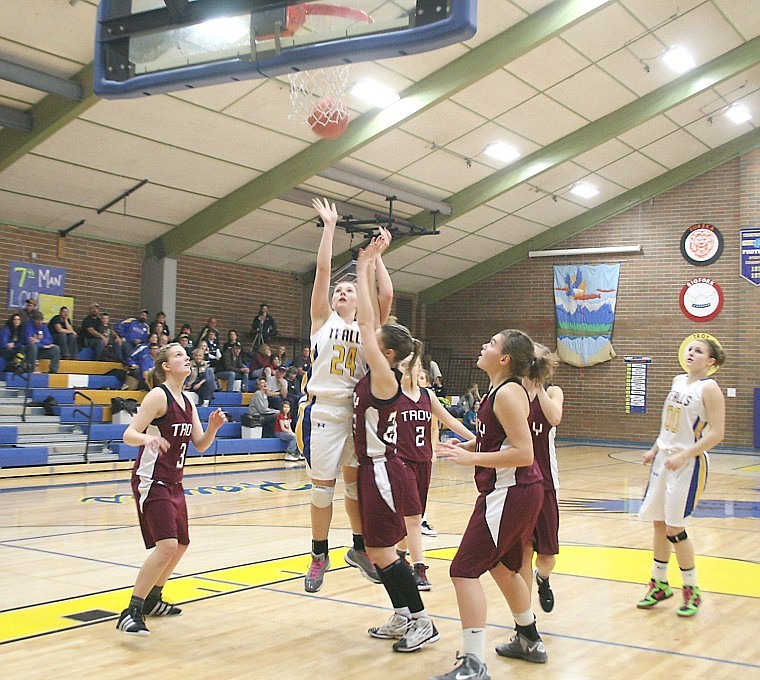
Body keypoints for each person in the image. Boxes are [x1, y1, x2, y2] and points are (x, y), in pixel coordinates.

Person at [432, 329, 553, 679]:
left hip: (509, 493)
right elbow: (498, 440)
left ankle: (473, 664)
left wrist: (473, 461)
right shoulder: (498, 390)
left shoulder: (508, 393)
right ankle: (529, 639)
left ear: (504, 359)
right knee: (501, 567)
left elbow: (523, 453)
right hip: (514, 492)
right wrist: (469, 448)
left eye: (492, 343)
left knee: (463, 571)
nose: (484, 345)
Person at [295, 197, 392, 594]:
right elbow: (321, 270)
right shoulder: (322, 321)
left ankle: (357, 548)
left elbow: (385, 295)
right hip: (323, 412)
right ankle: (319, 553)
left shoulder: (370, 326)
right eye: (340, 289)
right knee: (323, 488)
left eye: (350, 289)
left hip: (356, 414)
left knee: (354, 488)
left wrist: (377, 256)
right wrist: (330, 227)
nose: (342, 292)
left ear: (357, 299)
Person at [116, 343, 226, 635]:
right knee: (165, 546)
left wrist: (213, 427)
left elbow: (200, 445)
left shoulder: (188, 401)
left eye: (186, 355)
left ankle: (153, 599)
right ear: (165, 365)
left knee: (180, 545)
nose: (186, 358)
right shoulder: (158, 395)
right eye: (179, 355)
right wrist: (146, 440)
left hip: (175, 482)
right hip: (152, 480)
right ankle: (132, 610)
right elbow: (128, 433)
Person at [636, 338, 726, 617]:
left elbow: (717, 433)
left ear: (710, 362)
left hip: (689, 462)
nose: (691, 353)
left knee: (676, 528)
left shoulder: (708, 388)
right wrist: (654, 449)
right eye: (690, 349)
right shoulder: (677, 381)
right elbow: (669, 425)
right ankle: (659, 583)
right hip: (665, 458)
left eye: (699, 351)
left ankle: (692, 590)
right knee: (659, 524)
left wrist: (685, 455)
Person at [395, 352, 475, 591]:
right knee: (413, 516)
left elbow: (450, 421)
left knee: (411, 516)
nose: (411, 368)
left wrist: (478, 439)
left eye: (415, 364)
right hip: (400, 461)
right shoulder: (391, 395)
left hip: (423, 462)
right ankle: (419, 568)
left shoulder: (428, 396)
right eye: (405, 364)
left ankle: (399, 554)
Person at [518, 344, 563, 614]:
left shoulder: (553, 392)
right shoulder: (512, 392)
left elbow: (554, 417)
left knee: (546, 555)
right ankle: (525, 614)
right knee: (523, 550)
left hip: (546, 481)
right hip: (521, 480)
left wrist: (539, 387)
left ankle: (543, 579)